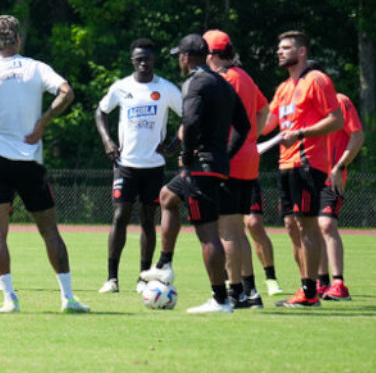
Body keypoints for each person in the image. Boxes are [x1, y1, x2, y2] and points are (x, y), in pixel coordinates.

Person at [0, 14, 86, 314]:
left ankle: (9, 299)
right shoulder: (35, 68)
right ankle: (68, 297)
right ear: (18, 39)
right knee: (49, 230)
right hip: (30, 161)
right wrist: (43, 122)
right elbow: (67, 92)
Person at [141, 34, 250, 314]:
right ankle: (164, 264)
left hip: (200, 166)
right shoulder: (222, 83)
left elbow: (190, 121)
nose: (179, 59)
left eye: (180, 55)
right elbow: (244, 125)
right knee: (167, 197)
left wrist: (188, 155)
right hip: (213, 165)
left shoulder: (195, 81)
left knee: (208, 235)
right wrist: (225, 155)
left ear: (187, 57)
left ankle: (220, 299)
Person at [93, 39, 182, 295]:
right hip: (126, 165)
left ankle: (144, 277)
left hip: (153, 166)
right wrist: (108, 141)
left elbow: (189, 114)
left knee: (148, 220)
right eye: (139, 59)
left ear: (154, 61)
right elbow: (100, 112)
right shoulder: (122, 87)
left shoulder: (165, 89)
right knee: (120, 217)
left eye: (148, 59)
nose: (143, 63)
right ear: (133, 61)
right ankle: (112, 278)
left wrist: (175, 143)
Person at [263, 31, 343, 308]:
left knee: (306, 226)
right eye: (279, 47)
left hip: (307, 163)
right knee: (290, 226)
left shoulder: (317, 80)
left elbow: (336, 120)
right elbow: (266, 124)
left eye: (286, 48)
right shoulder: (284, 87)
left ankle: (311, 291)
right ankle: (305, 286)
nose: (280, 52)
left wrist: (301, 134)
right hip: (286, 164)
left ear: (302, 52)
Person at [203, 30, 269, 308]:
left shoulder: (223, 80)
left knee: (226, 230)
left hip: (228, 158)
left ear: (212, 56)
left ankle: (233, 293)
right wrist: (252, 137)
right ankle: (249, 291)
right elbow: (265, 111)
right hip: (248, 158)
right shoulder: (245, 77)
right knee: (238, 230)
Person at [316, 88, 364, 301]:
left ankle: (339, 284)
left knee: (327, 225)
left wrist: (340, 166)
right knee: (310, 228)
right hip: (308, 176)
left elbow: (357, 135)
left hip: (331, 177)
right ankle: (320, 282)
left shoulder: (340, 101)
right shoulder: (304, 105)